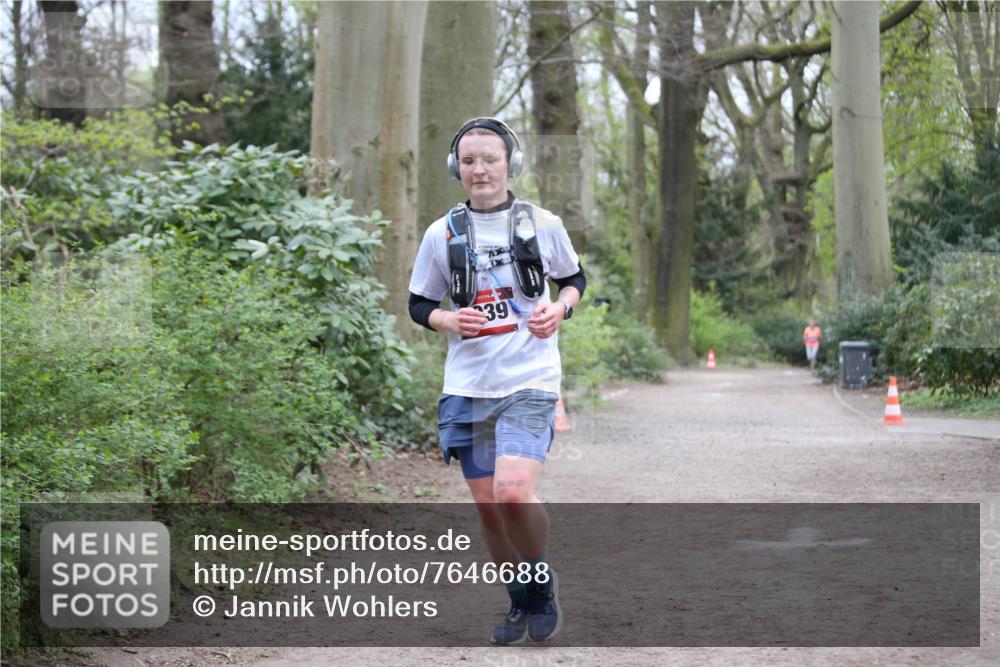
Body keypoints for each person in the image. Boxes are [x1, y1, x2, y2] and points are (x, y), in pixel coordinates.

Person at [407, 117, 585, 645]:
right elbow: (419, 303)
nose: (479, 169)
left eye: (490, 159)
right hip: (468, 387)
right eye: (469, 161)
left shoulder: (542, 223)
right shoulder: (441, 233)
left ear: (511, 164)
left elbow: (573, 279)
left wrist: (560, 309)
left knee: (511, 494)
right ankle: (518, 600)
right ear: (456, 168)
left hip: (530, 379)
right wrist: (447, 319)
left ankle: (541, 583)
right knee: (489, 509)